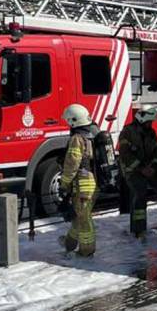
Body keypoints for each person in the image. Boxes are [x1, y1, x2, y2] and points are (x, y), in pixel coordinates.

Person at [118, 106, 157, 239]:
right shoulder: (127, 132)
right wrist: (141, 168)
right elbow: (124, 154)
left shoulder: (150, 132)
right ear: (142, 119)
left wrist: (153, 167)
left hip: (149, 170)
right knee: (139, 192)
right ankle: (138, 231)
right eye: (149, 121)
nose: (150, 124)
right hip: (133, 171)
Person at [58, 103, 97, 257]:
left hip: (82, 184)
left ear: (73, 121)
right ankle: (70, 243)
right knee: (79, 214)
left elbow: (72, 164)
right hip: (93, 182)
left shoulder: (77, 139)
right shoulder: (92, 135)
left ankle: (87, 250)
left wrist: (64, 184)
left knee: (84, 218)